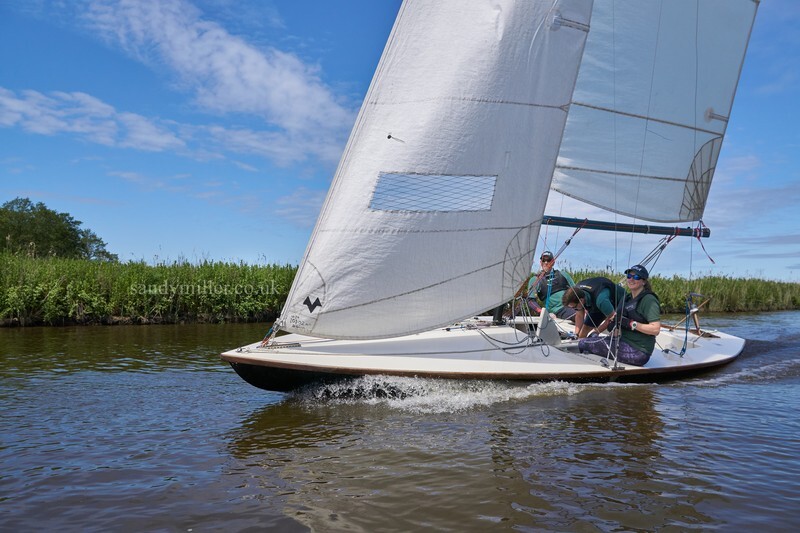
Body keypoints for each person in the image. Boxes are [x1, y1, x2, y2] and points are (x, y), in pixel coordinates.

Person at [575, 264, 662, 367]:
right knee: (587, 340)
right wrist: (604, 328)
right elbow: (614, 322)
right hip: (622, 342)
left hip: (638, 351)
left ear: (644, 281)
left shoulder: (649, 300)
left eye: (636, 277)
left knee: (583, 344)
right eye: (629, 276)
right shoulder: (626, 298)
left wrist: (631, 324)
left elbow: (655, 329)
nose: (631, 279)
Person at [561, 275, 626, 338]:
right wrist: (576, 335)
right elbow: (579, 315)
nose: (574, 309)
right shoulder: (577, 294)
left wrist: (596, 332)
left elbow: (612, 318)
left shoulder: (601, 300)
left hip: (619, 302)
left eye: (574, 307)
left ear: (581, 300)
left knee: (614, 328)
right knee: (583, 332)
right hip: (595, 303)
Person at [525, 251, 576, 321]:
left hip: (573, 306)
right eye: (544, 260)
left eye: (548, 260)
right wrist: (543, 312)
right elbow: (530, 300)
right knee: (580, 316)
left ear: (553, 262)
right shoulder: (535, 280)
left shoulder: (563, 274)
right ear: (540, 262)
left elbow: (577, 292)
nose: (546, 262)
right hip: (558, 310)